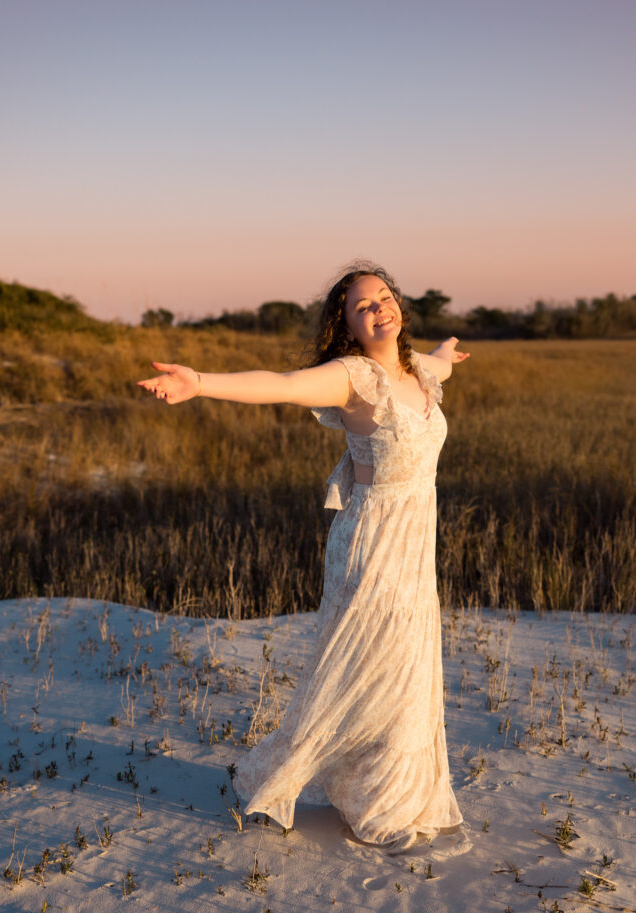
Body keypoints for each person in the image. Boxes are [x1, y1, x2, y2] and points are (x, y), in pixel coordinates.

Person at [137, 262, 469, 851]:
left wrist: (446, 347)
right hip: (373, 541)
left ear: (400, 307)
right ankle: (344, 791)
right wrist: (201, 382)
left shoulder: (420, 370)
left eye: (384, 298)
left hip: (416, 539)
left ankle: (388, 791)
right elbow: (282, 384)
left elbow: (440, 362)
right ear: (346, 325)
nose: (378, 309)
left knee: (406, 669)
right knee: (367, 665)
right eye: (362, 306)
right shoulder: (350, 376)